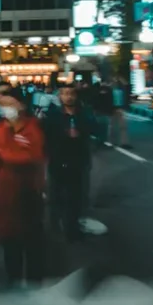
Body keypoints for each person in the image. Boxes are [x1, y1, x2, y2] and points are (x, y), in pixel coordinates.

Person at [0, 88, 48, 283]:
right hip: (5, 193)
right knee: (10, 242)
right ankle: (13, 281)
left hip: (28, 191)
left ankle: (34, 282)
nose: (6, 110)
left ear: (21, 105)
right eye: (2, 106)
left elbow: (31, 156)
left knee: (32, 241)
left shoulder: (32, 128)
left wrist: (3, 152)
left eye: (9, 105)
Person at [50, 86, 103, 239]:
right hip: (58, 160)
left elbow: (96, 130)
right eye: (65, 94)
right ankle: (57, 225)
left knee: (76, 196)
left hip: (79, 160)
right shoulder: (53, 115)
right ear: (60, 96)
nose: (69, 97)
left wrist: (82, 133)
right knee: (57, 195)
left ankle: (72, 228)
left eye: (71, 94)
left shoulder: (84, 115)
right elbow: (46, 135)